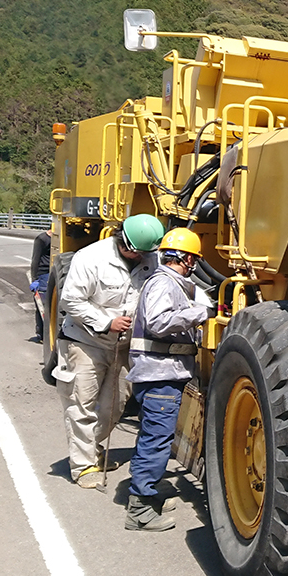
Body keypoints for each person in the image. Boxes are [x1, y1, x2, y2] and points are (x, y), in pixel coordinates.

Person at [54, 214, 163, 489]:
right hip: (85, 342)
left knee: (115, 405)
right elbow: (71, 301)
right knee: (82, 404)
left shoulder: (151, 258)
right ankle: (83, 465)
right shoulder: (91, 259)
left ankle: (92, 448)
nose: (142, 259)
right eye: (137, 253)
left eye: (146, 254)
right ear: (124, 242)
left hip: (124, 346)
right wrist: (106, 322)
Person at [123, 227, 211, 531]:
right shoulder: (164, 283)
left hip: (160, 374)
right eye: (194, 259)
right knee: (156, 441)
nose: (194, 265)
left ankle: (147, 492)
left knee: (151, 437)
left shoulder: (169, 283)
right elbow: (159, 323)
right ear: (186, 258)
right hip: (159, 375)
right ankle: (140, 511)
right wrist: (197, 314)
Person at [29, 225, 53, 342]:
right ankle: (41, 333)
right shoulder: (42, 239)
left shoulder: (55, 240)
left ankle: (45, 333)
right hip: (43, 274)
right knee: (42, 306)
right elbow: (36, 259)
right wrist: (34, 278)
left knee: (48, 306)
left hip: (50, 273)